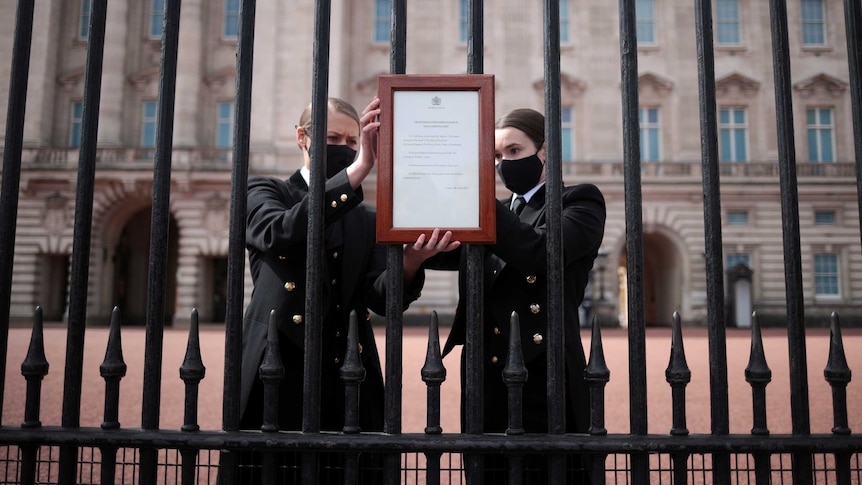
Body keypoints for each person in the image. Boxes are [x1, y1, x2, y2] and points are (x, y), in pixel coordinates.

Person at [237, 97, 458, 483]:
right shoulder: (264, 192)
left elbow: (382, 298)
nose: (344, 147)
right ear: (302, 137)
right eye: (333, 137)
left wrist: (409, 262)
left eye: (353, 141)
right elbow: (278, 234)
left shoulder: (367, 217)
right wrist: (358, 171)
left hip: (347, 369)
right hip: (277, 364)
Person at [424, 108, 606, 483]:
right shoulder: (499, 211)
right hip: (486, 374)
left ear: (545, 153)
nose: (503, 163)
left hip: (544, 370)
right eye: (495, 156)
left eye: (513, 151)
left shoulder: (580, 201)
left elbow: (541, 254)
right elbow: (441, 248)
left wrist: (479, 198)